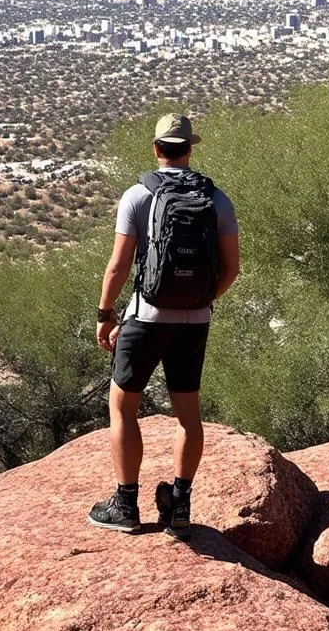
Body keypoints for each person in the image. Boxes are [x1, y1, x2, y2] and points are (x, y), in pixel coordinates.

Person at [88, 112, 240, 540]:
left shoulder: (138, 196)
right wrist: (203, 299)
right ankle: (180, 503)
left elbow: (118, 266)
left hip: (147, 317)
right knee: (188, 417)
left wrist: (106, 314)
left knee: (122, 407)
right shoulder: (218, 200)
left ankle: (125, 504)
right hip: (195, 321)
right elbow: (232, 268)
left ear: (156, 148)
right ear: (191, 148)